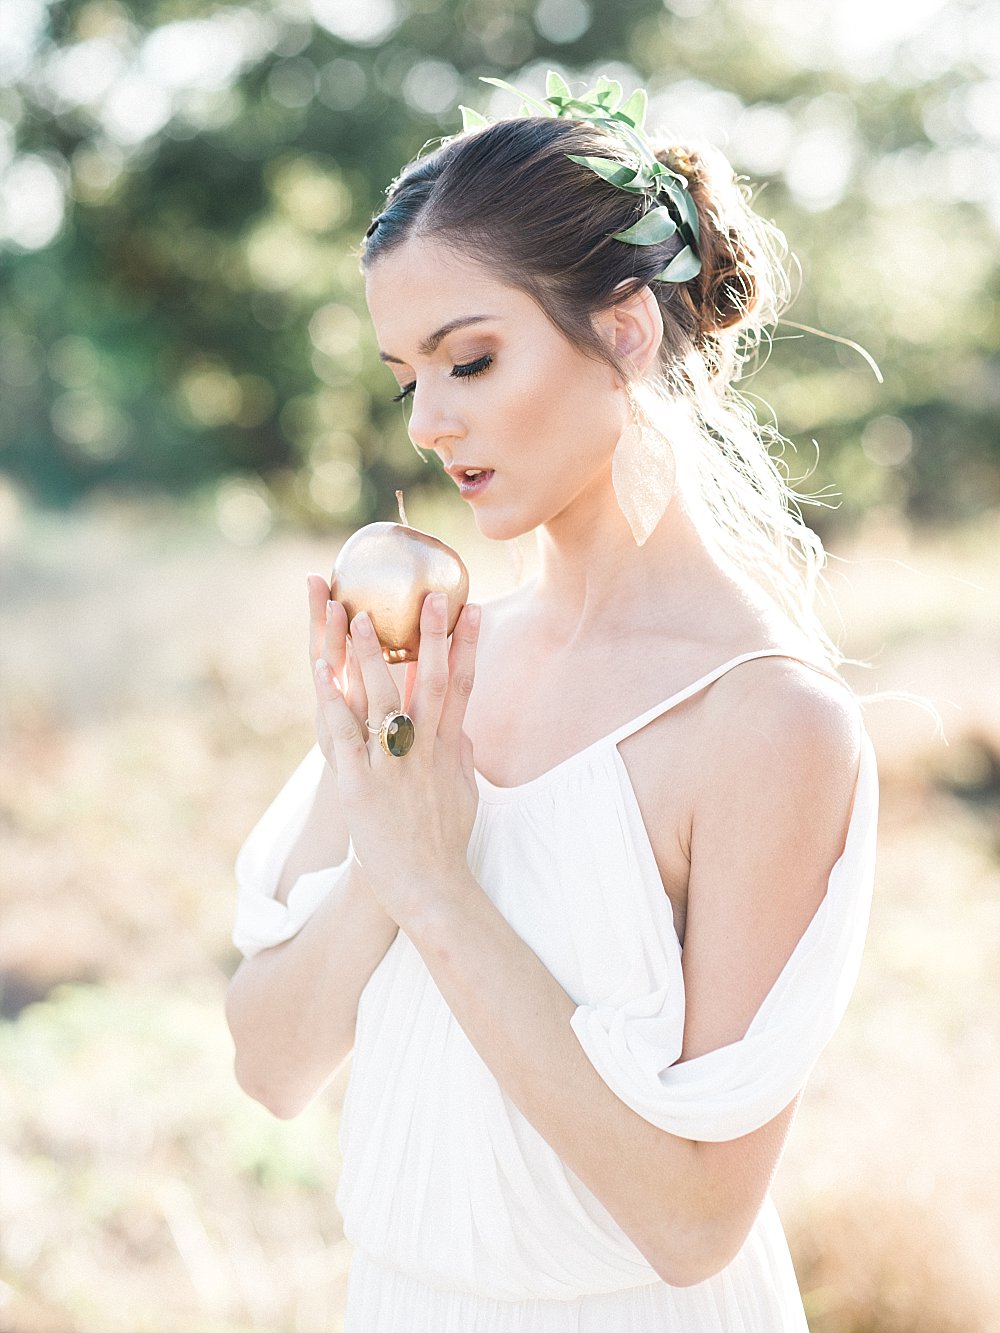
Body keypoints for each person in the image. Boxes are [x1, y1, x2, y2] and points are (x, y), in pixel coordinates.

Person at [224, 75, 879, 1333]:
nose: (427, 421)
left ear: (626, 329)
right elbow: (270, 1063)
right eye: (406, 375)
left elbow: (694, 1224)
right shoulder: (439, 662)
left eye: (469, 358)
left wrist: (435, 882)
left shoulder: (766, 721)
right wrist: (386, 840)